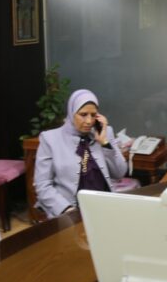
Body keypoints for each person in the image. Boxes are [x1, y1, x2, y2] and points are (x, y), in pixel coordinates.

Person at [34, 89, 128, 218]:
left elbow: (120, 173)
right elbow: (42, 185)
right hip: (69, 212)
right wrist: (66, 209)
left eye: (93, 115)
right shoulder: (50, 139)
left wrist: (105, 143)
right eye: (83, 114)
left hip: (105, 208)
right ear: (72, 113)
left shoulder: (104, 132)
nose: (89, 121)